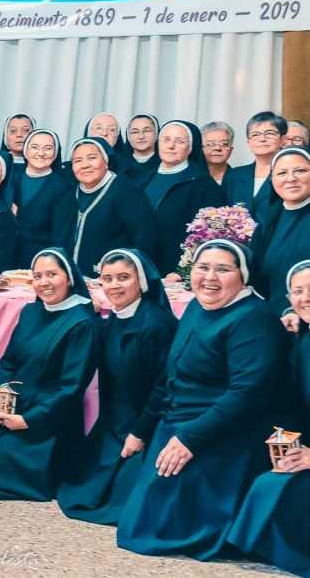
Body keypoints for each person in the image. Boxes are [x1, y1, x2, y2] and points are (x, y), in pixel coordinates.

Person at [116, 239, 287, 560]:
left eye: (223, 270)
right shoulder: (197, 306)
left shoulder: (254, 319)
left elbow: (246, 394)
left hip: (226, 429)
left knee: (158, 529)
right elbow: (170, 374)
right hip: (179, 419)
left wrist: (190, 438)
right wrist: (142, 429)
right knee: (135, 514)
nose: (210, 278)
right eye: (203, 267)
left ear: (243, 276)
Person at [0, 248, 98, 501]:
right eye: (38, 276)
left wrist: (28, 419)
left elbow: (71, 386)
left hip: (50, 416)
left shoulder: (82, 323)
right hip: (15, 404)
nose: (44, 282)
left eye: (52, 274)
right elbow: (8, 362)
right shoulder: (31, 312)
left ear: (69, 278)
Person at [57, 249, 176, 524]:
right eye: (107, 279)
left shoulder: (157, 325)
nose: (114, 286)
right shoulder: (115, 317)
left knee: (124, 502)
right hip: (116, 422)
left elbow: (164, 387)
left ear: (141, 281)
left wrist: (140, 433)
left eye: (123, 278)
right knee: (80, 486)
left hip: (149, 424)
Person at [227, 260, 310, 576]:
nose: (305, 298)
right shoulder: (303, 339)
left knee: (286, 491)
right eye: (298, 291)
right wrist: (287, 443)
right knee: (267, 477)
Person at [60, 137, 156, 275]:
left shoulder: (127, 193)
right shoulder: (69, 195)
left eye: (92, 158)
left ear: (106, 162)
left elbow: (144, 240)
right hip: (72, 278)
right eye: (78, 160)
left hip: (113, 279)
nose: (85, 165)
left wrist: (125, 273)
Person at [144, 121, 226, 275]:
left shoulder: (204, 184)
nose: (171, 146)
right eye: (166, 140)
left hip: (177, 269)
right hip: (141, 264)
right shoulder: (141, 179)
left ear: (190, 147)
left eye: (179, 141)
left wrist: (183, 271)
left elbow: (210, 234)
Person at [251, 147, 310, 327]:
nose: (291, 179)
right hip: (274, 320)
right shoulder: (268, 221)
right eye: (282, 173)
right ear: (272, 180)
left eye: (300, 171)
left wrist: (297, 311)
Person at [14, 129, 72, 267]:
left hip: (40, 260)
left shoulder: (62, 186)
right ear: (26, 151)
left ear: (55, 153)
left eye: (48, 148)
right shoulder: (11, 178)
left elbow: (61, 234)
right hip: (7, 256)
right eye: (35, 147)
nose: (41, 153)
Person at [224, 111, 286, 224]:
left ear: (282, 140)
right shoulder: (234, 175)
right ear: (248, 142)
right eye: (255, 134)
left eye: (269, 133)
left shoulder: (289, 175)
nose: (262, 139)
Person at [123, 113, 160, 186]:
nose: (141, 136)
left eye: (147, 131)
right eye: (135, 132)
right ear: (128, 136)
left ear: (157, 133)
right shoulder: (119, 163)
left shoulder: (165, 164)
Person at [200, 121, 235, 186]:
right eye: (210, 144)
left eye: (224, 144)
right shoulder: (190, 177)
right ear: (200, 148)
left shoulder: (239, 179)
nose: (217, 148)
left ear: (231, 149)